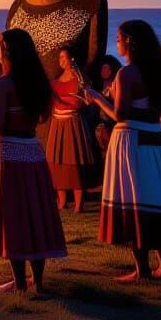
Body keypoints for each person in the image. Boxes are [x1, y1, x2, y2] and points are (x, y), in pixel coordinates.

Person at [87, 20, 161, 281]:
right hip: (156, 139)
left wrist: (98, 98)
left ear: (130, 41)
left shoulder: (128, 73)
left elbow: (120, 114)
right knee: (160, 200)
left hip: (131, 139)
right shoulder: (159, 71)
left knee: (134, 200)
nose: (117, 42)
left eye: (120, 38)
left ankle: (142, 270)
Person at [0, 29, 67, 293]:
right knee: (34, 214)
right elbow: (42, 118)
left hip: (8, 156)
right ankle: (39, 282)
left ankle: (20, 282)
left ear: (6, 51)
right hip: (32, 153)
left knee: (13, 217)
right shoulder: (38, 81)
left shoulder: (4, 83)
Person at [47, 47, 99, 212]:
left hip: (73, 123)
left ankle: (78, 204)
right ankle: (61, 201)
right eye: (60, 58)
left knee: (74, 162)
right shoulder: (56, 81)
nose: (61, 61)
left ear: (72, 59)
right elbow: (52, 102)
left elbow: (82, 102)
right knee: (58, 162)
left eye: (64, 57)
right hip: (58, 123)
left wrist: (63, 101)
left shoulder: (80, 79)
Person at [92, 54, 121, 154]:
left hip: (108, 128)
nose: (103, 72)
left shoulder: (114, 89)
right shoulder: (100, 90)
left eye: (106, 69)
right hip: (97, 127)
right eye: (102, 69)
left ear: (112, 71)